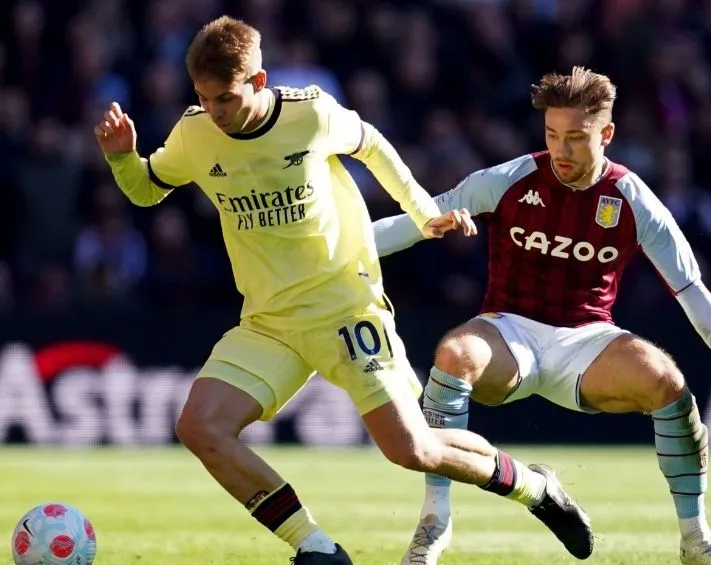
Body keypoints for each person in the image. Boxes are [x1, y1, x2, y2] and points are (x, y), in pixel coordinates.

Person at [93, 16, 593, 565]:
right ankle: (315, 548)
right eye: (205, 99)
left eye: (226, 99)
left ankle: (534, 487)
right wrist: (122, 156)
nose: (215, 111)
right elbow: (145, 190)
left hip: (345, 307)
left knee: (413, 449)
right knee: (199, 426)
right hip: (268, 323)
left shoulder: (309, 114)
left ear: (258, 84)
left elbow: (373, 146)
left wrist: (426, 213)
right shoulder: (194, 133)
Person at [373, 67, 711, 565]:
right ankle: (433, 524)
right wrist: (330, 253)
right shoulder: (509, 179)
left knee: (669, 383)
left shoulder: (632, 200)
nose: (560, 150)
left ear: (606, 134)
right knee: (454, 354)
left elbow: (690, 286)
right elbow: (417, 220)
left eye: (574, 138)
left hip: (588, 340)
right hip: (509, 333)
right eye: (551, 135)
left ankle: (696, 539)